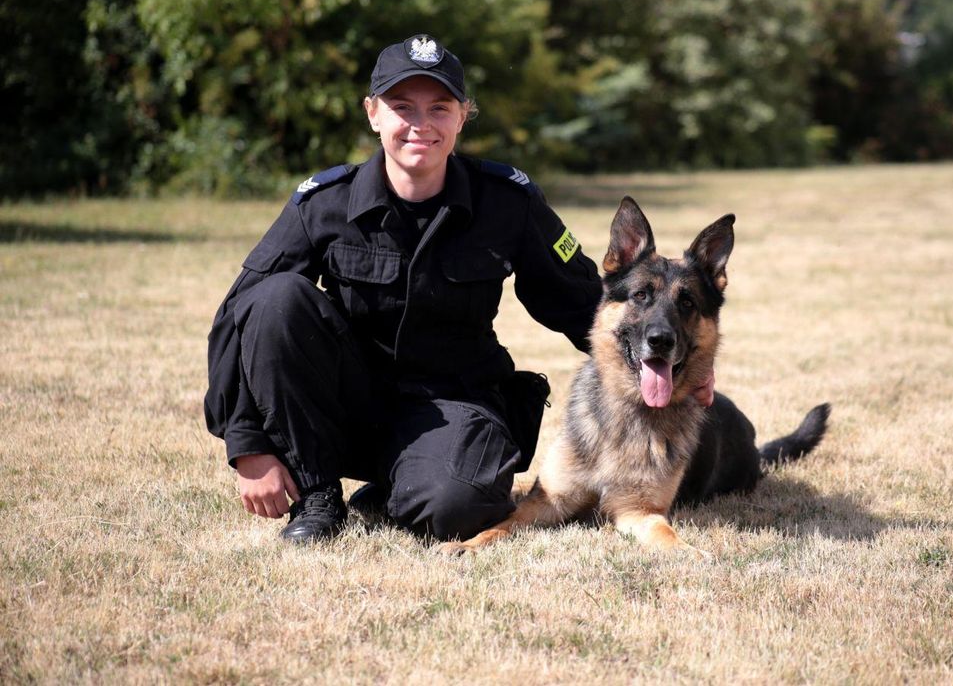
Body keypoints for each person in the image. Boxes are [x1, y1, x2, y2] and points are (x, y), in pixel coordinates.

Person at [204, 33, 709, 544]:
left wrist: (668, 368)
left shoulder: (507, 202)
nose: (421, 125)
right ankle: (317, 497)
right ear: (372, 113)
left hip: (450, 403)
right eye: (402, 107)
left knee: (460, 508)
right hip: (342, 402)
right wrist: (248, 444)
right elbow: (240, 315)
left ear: (463, 115)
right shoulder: (323, 203)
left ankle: (394, 486)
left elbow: (583, 301)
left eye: (439, 108)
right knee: (277, 298)